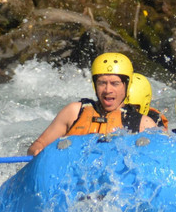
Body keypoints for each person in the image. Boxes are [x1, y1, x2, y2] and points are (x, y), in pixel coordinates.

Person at [27, 52, 157, 155]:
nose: (107, 90)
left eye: (115, 83)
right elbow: (39, 144)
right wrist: (37, 151)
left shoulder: (142, 124)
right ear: (95, 85)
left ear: (126, 86)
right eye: (102, 83)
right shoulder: (74, 112)